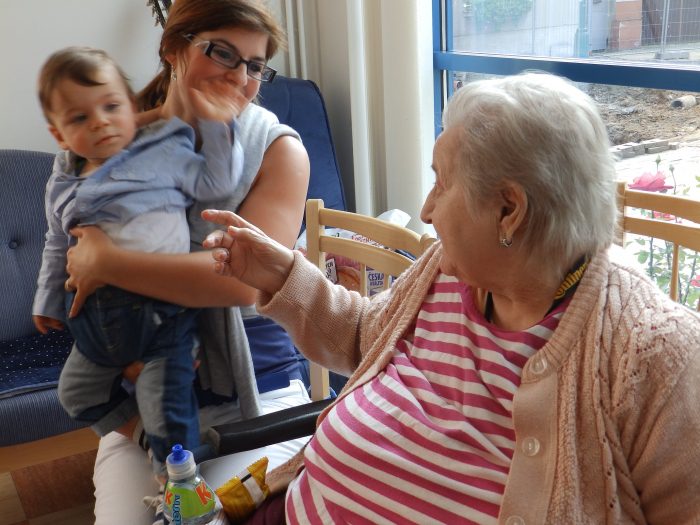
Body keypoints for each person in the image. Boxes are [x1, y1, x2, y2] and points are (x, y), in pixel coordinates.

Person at [203, 72, 700, 524]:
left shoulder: (654, 354)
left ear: (509, 210)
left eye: (441, 182)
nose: (425, 209)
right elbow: (363, 336)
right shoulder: (446, 273)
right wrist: (284, 274)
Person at [61, 2, 312, 523]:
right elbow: (77, 277)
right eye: (222, 53)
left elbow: (244, 280)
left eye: (255, 65)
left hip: (258, 397)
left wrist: (108, 261)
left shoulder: (278, 150)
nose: (240, 77)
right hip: (142, 403)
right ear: (174, 49)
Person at [33, 45, 244, 479]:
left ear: (131, 108)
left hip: (161, 320)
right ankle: (152, 443)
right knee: (75, 395)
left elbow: (216, 182)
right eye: (79, 118)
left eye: (111, 107)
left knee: (169, 414)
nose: (100, 122)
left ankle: (181, 485)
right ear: (59, 135)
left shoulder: (162, 150)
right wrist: (46, 299)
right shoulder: (64, 179)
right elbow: (56, 242)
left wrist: (217, 125)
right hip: (93, 325)